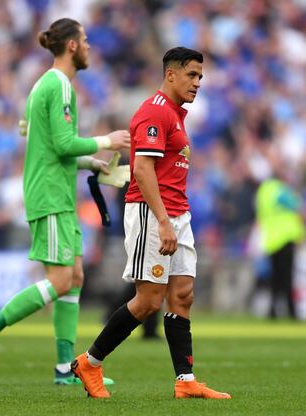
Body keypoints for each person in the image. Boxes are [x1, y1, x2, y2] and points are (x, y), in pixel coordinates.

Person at [0, 17, 130, 386]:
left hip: (59, 193)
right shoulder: (59, 86)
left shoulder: (47, 85)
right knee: (59, 279)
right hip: (50, 196)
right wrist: (107, 140)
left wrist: (91, 162)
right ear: (71, 45)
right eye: (84, 40)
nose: (88, 46)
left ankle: (65, 368)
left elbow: (53, 146)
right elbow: (63, 144)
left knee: (75, 277)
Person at [71, 47, 231, 399]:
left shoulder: (176, 115)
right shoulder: (154, 112)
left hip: (179, 212)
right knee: (147, 301)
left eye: (201, 76)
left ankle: (185, 382)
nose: (198, 82)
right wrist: (162, 221)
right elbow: (142, 169)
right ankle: (89, 362)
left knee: (183, 295)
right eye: (191, 75)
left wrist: (175, 218)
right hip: (151, 212)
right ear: (170, 74)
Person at [255, 175, 305, 319]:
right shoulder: (279, 190)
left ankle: (273, 311)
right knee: (287, 277)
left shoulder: (263, 192)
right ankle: (291, 311)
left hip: (271, 240)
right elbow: (293, 205)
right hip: (286, 238)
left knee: (276, 278)